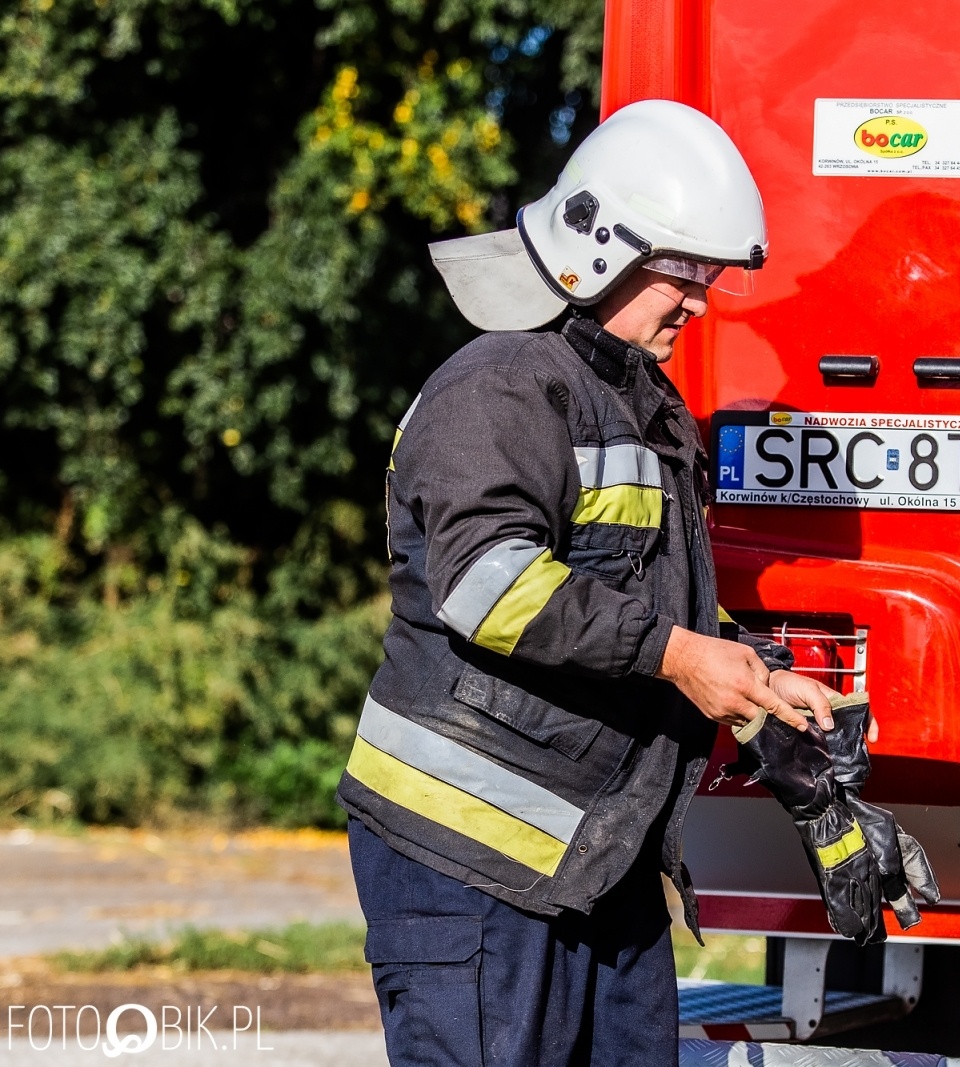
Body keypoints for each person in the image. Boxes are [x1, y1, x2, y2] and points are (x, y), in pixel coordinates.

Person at [337, 99, 842, 1066]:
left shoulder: (638, 409)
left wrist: (757, 680)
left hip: (594, 857)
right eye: (682, 272)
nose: (699, 302)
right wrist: (679, 655)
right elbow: (488, 584)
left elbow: (660, 596)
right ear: (596, 251)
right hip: (469, 861)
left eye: (709, 278)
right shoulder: (499, 386)